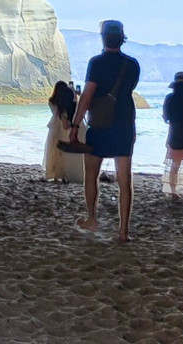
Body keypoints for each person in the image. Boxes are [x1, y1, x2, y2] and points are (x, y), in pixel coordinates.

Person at [69, 19, 141, 242]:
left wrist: (75, 124)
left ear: (103, 38)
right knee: (124, 181)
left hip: (100, 125)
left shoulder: (96, 63)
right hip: (124, 125)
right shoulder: (132, 65)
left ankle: (92, 219)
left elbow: (87, 95)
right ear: (122, 38)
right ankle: (123, 231)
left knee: (91, 175)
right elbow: (128, 91)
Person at [44, 81, 85, 183]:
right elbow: (67, 121)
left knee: (53, 151)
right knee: (63, 153)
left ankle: (54, 173)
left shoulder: (52, 102)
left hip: (54, 127)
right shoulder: (64, 108)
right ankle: (62, 174)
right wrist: (75, 95)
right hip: (62, 127)